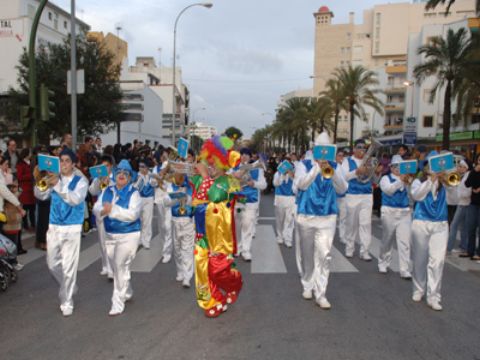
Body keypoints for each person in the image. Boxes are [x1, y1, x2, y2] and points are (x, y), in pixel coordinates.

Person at [294, 132, 347, 309]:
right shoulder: (303, 165)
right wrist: (317, 167)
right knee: (307, 254)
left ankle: (321, 292)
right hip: (306, 216)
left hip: (327, 217)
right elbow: (301, 184)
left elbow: (342, 189)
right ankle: (307, 283)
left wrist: (332, 171)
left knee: (324, 255)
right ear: (314, 149)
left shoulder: (334, 166)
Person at [191, 136, 242, 318]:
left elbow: (214, 196)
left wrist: (205, 177)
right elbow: (191, 195)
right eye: (208, 163)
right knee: (201, 272)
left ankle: (234, 284)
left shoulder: (229, 182)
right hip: (201, 235)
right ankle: (212, 300)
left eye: (214, 164)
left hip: (219, 238)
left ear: (223, 163)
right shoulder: (201, 180)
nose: (210, 167)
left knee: (218, 271)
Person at [34, 148, 88, 317]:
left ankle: (67, 300)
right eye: (61, 161)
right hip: (54, 227)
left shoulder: (81, 181)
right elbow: (40, 196)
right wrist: (41, 181)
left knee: (69, 267)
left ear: (73, 164)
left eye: (67, 161)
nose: (63, 164)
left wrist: (57, 184)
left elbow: (74, 200)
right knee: (52, 264)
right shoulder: (52, 179)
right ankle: (69, 285)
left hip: (72, 228)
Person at [93, 160, 142, 316]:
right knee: (118, 267)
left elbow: (133, 215)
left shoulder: (134, 193)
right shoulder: (107, 190)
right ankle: (126, 291)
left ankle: (117, 302)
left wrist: (112, 210)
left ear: (129, 177)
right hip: (110, 234)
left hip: (129, 235)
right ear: (115, 174)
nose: (122, 175)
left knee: (120, 265)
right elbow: (96, 207)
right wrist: (102, 211)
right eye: (119, 172)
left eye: (125, 173)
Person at [409, 151, 448, 311]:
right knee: (419, 259)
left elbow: (456, 196)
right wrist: (430, 181)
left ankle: (434, 296)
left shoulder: (446, 182)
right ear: (427, 168)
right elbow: (417, 196)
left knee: (437, 261)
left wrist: (445, 178)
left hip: (441, 224)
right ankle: (418, 289)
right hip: (421, 222)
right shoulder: (418, 182)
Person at [341, 139, 380, 260]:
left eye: (364, 148)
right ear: (354, 149)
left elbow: (375, 180)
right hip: (352, 195)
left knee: (366, 224)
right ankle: (349, 248)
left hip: (367, 195)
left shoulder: (370, 161)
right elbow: (344, 176)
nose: (362, 150)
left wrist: (376, 172)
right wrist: (356, 172)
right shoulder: (347, 161)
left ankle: (365, 251)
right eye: (359, 147)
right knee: (351, 224)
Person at [378, 155, 412, 279]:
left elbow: (413, 196)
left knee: (404, 242)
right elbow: (389, 190)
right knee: (387, 239)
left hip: (404, 212)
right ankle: (383, 262)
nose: (397, 169)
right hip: (389, 211)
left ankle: (404, 269)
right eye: (395, 166)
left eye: (400, 166)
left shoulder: (407, 180)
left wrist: (408, 183)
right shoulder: (385, 179)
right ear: (391, 167)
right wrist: (400, 181)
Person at [232, 148, 267, 261]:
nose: (244, 156)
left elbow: (264, 185)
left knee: (247, 225)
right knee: (237, 226)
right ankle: (238, 247)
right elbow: (229, 182)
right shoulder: (234, 169)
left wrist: (254, 183)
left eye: (247, 155)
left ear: (250, 157)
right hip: (238, 201)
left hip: (251, 202)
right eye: (242, 154)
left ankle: (246, 250)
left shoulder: (257, 170)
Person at [162, 172, 195, 288]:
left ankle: (187, 276)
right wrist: (177, 197)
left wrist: (187, 198)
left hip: (188, 221)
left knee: (187, 249)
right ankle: (180, 271)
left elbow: (195, 202)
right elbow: (165, 202)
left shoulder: (191, 185)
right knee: (177, 249)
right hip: (175, 220)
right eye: (175, 174)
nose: (177, 177)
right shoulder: (171, 186)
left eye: (179, 175)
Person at [88, 155, 115, 278]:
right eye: (103, 166)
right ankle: (105, 265)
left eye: (107, 166)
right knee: (101, 240)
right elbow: (92, 191)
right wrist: (99, 180)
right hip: (100, 211)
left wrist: (110, 183)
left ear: (111, 167)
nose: (105, 169)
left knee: (110, 241)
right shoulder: (98, 178)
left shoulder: (115, 177)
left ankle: (111, 268)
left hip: (112, 211)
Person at [152, 149, 173, 263]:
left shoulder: (171, 167)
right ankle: (163, 247)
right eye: (162, 156)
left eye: (166, 155)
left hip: (169, 198)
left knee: (167, 225)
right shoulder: (156, 169)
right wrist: (157, 180)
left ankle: (167, 252)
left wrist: (164, 176)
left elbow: (174, 180)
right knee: (161, 226)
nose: (164, 157)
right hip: (159, 199)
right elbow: (153, 183)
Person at [447, 160, 470, 254]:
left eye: (461, 166)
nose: (459, 168)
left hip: (463, 203)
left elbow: (467, 191)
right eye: (458, 166)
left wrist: (460, 195)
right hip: (453, 202)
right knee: (462, 226)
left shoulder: (467, 176)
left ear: (466, 168)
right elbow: (449, 187)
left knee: (454, 225)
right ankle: (463, 246)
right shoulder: (456, 175)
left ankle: (449, 246)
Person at [272, 157, 296, 248]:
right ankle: (280, 236)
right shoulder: (277, 173)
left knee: (290, 220)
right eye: (285, 165)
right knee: (280, 220)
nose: (287, 167)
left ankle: (288, 238)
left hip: (291, 198)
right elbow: (275, 184)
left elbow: (297, 184)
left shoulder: (293, 173)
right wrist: (281, 174)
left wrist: (292, 175)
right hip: (280, 198)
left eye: (289, 164)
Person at [2, 181, 25, 270]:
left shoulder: (13, 199)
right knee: (11, 246)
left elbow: (20, 191)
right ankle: (12, 263)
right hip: (10, 228)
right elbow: (13, 218)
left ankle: (13, 262)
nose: (17, 188)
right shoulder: (10, 203)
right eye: (15, 187)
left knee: (13, 246)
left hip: (14, 228)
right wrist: (20, 215)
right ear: (11, 190)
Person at [135, 160, 155, 249]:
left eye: (143, 167)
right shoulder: (137, 176)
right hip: (139, 199)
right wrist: (139, 178)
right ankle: (139, 239)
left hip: (149, 199)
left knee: (147, 220)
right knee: (138, 220)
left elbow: (155, 184)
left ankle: (146, 240)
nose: (141, 168)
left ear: (147, 168)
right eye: (140, 166)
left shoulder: (152, 175)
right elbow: (135, 187)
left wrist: (148, 177)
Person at [464, 154, 480, 261]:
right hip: (473, 202)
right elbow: (467, 184)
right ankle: (470, 251)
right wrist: (475, 171)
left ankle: (478, 253)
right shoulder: (474, 172)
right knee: (471, 227)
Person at [16, 148, 36, 232]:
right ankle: (26, 225)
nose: (31, 154)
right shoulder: (20, 164)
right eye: (29, 153)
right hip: (25, 189)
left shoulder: (31, 163)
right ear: (26, 154)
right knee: (25, 208)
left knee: (32, 208)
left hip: (32, 188)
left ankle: (33, 224)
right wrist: (30, 175)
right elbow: (19, 177)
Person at [335, 149, 347, 244]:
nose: (341, 157)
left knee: (343, 217)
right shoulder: (332, 166)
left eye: (342, 155)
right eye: (339, 155)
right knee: (332, 218)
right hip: (333, 196)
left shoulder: (343, 166)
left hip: (343, 196)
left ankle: (342, 236)